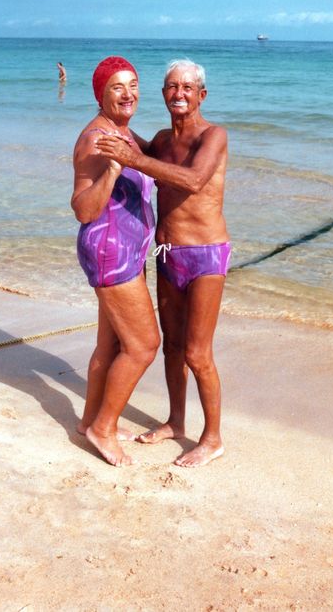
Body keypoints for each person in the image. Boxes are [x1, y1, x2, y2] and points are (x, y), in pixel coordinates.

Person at [96, 59, 229, 468]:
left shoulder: (214, 136)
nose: (180, 94)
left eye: (188, 88)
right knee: (171, 347)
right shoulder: (159, 140)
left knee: (196, 351)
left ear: (201, 94)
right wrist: (106, 118)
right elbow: (133, 146)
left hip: (205, 254)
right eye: (172, 87)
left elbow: (190, 180)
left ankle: (212, 438)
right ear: (163, 93)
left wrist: (131, 157)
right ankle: (175, 420)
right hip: (168, 254)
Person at [71, 56, 160, 466]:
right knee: (143, 346)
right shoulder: (96, 138)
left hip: (126, 250)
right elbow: (83, 209)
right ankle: (103, 428)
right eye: (118, 87)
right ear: (101, 94)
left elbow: (153, 156)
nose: (129, 94)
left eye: (134, 85)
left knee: (110, 343)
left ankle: (90, 420)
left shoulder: (119, 131)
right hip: (111, 252)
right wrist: (111, 172)